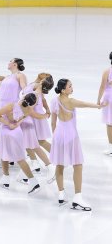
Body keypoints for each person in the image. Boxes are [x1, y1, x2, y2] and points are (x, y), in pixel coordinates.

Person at [51, 79, 106, 211]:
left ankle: (61, 193)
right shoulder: (71, 101)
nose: (72, 88)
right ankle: (78, 197)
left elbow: (53, 122)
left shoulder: (54, 101)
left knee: (60, 164)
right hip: (71, 136)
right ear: (63, 90)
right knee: (78, 165)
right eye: (70, 86)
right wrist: (100, 106)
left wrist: (56, 137)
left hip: (58, 135)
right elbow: (85, 104)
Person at [0, 93, 46, 195]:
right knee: (16, 157)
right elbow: (19, 121)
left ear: (23, 98)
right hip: (17, 132)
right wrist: (14, 124)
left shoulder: (12, 105)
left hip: (6, 132)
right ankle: (6, 179)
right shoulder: (29, 109)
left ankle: (32, 181)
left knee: (5, 154)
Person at [19, 76, 55, 183]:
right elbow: (43, 100)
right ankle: (35, 162)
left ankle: (56, 158)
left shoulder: (36, 94)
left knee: (39, 142)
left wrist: (44, 115)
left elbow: (31, 111)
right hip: (32, 118)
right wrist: (47, 110)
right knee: (30, 143)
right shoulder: (36, 90)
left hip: (35, 119)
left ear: (42, 83)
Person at [97, 52, 112, 155]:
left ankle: (111, 148)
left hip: (109, 98)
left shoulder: (107, 71)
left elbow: (102, 86)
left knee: (110, 123)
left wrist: (98, 100)